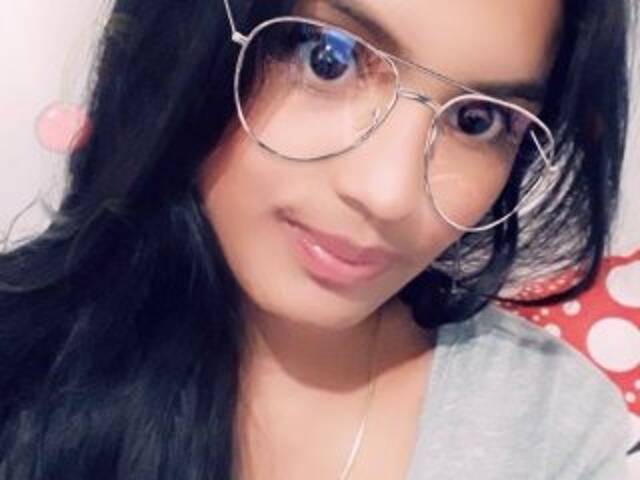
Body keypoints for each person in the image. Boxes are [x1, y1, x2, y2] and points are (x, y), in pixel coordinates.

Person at [0, 0, 635, 478]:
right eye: (326, 57)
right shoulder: (25, 359)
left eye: (478, 121)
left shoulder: (553, 426)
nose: (389, 195)